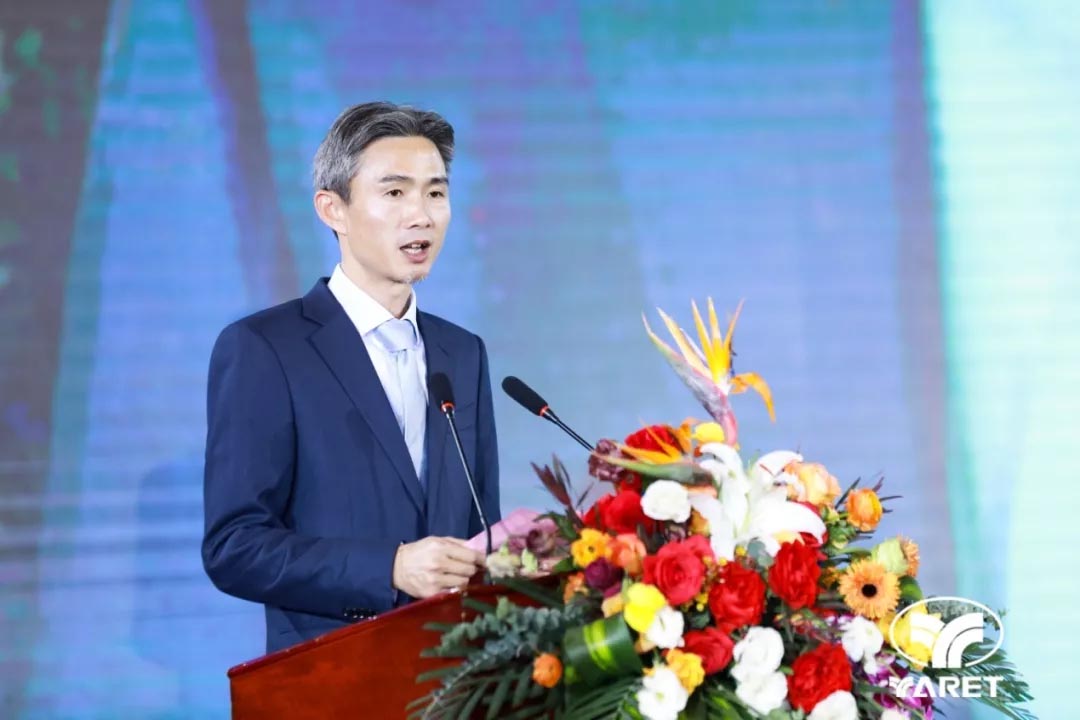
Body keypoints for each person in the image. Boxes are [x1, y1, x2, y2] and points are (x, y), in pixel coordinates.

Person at [202, 102, 499, 653]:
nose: (421, 215)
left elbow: (483, 526)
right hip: (335, 670)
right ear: (332, 208)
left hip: (458, 675)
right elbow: (235, 546)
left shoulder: (462, 354)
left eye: (435, 193)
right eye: (395, 192)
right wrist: (390, 568)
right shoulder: (266, 348)